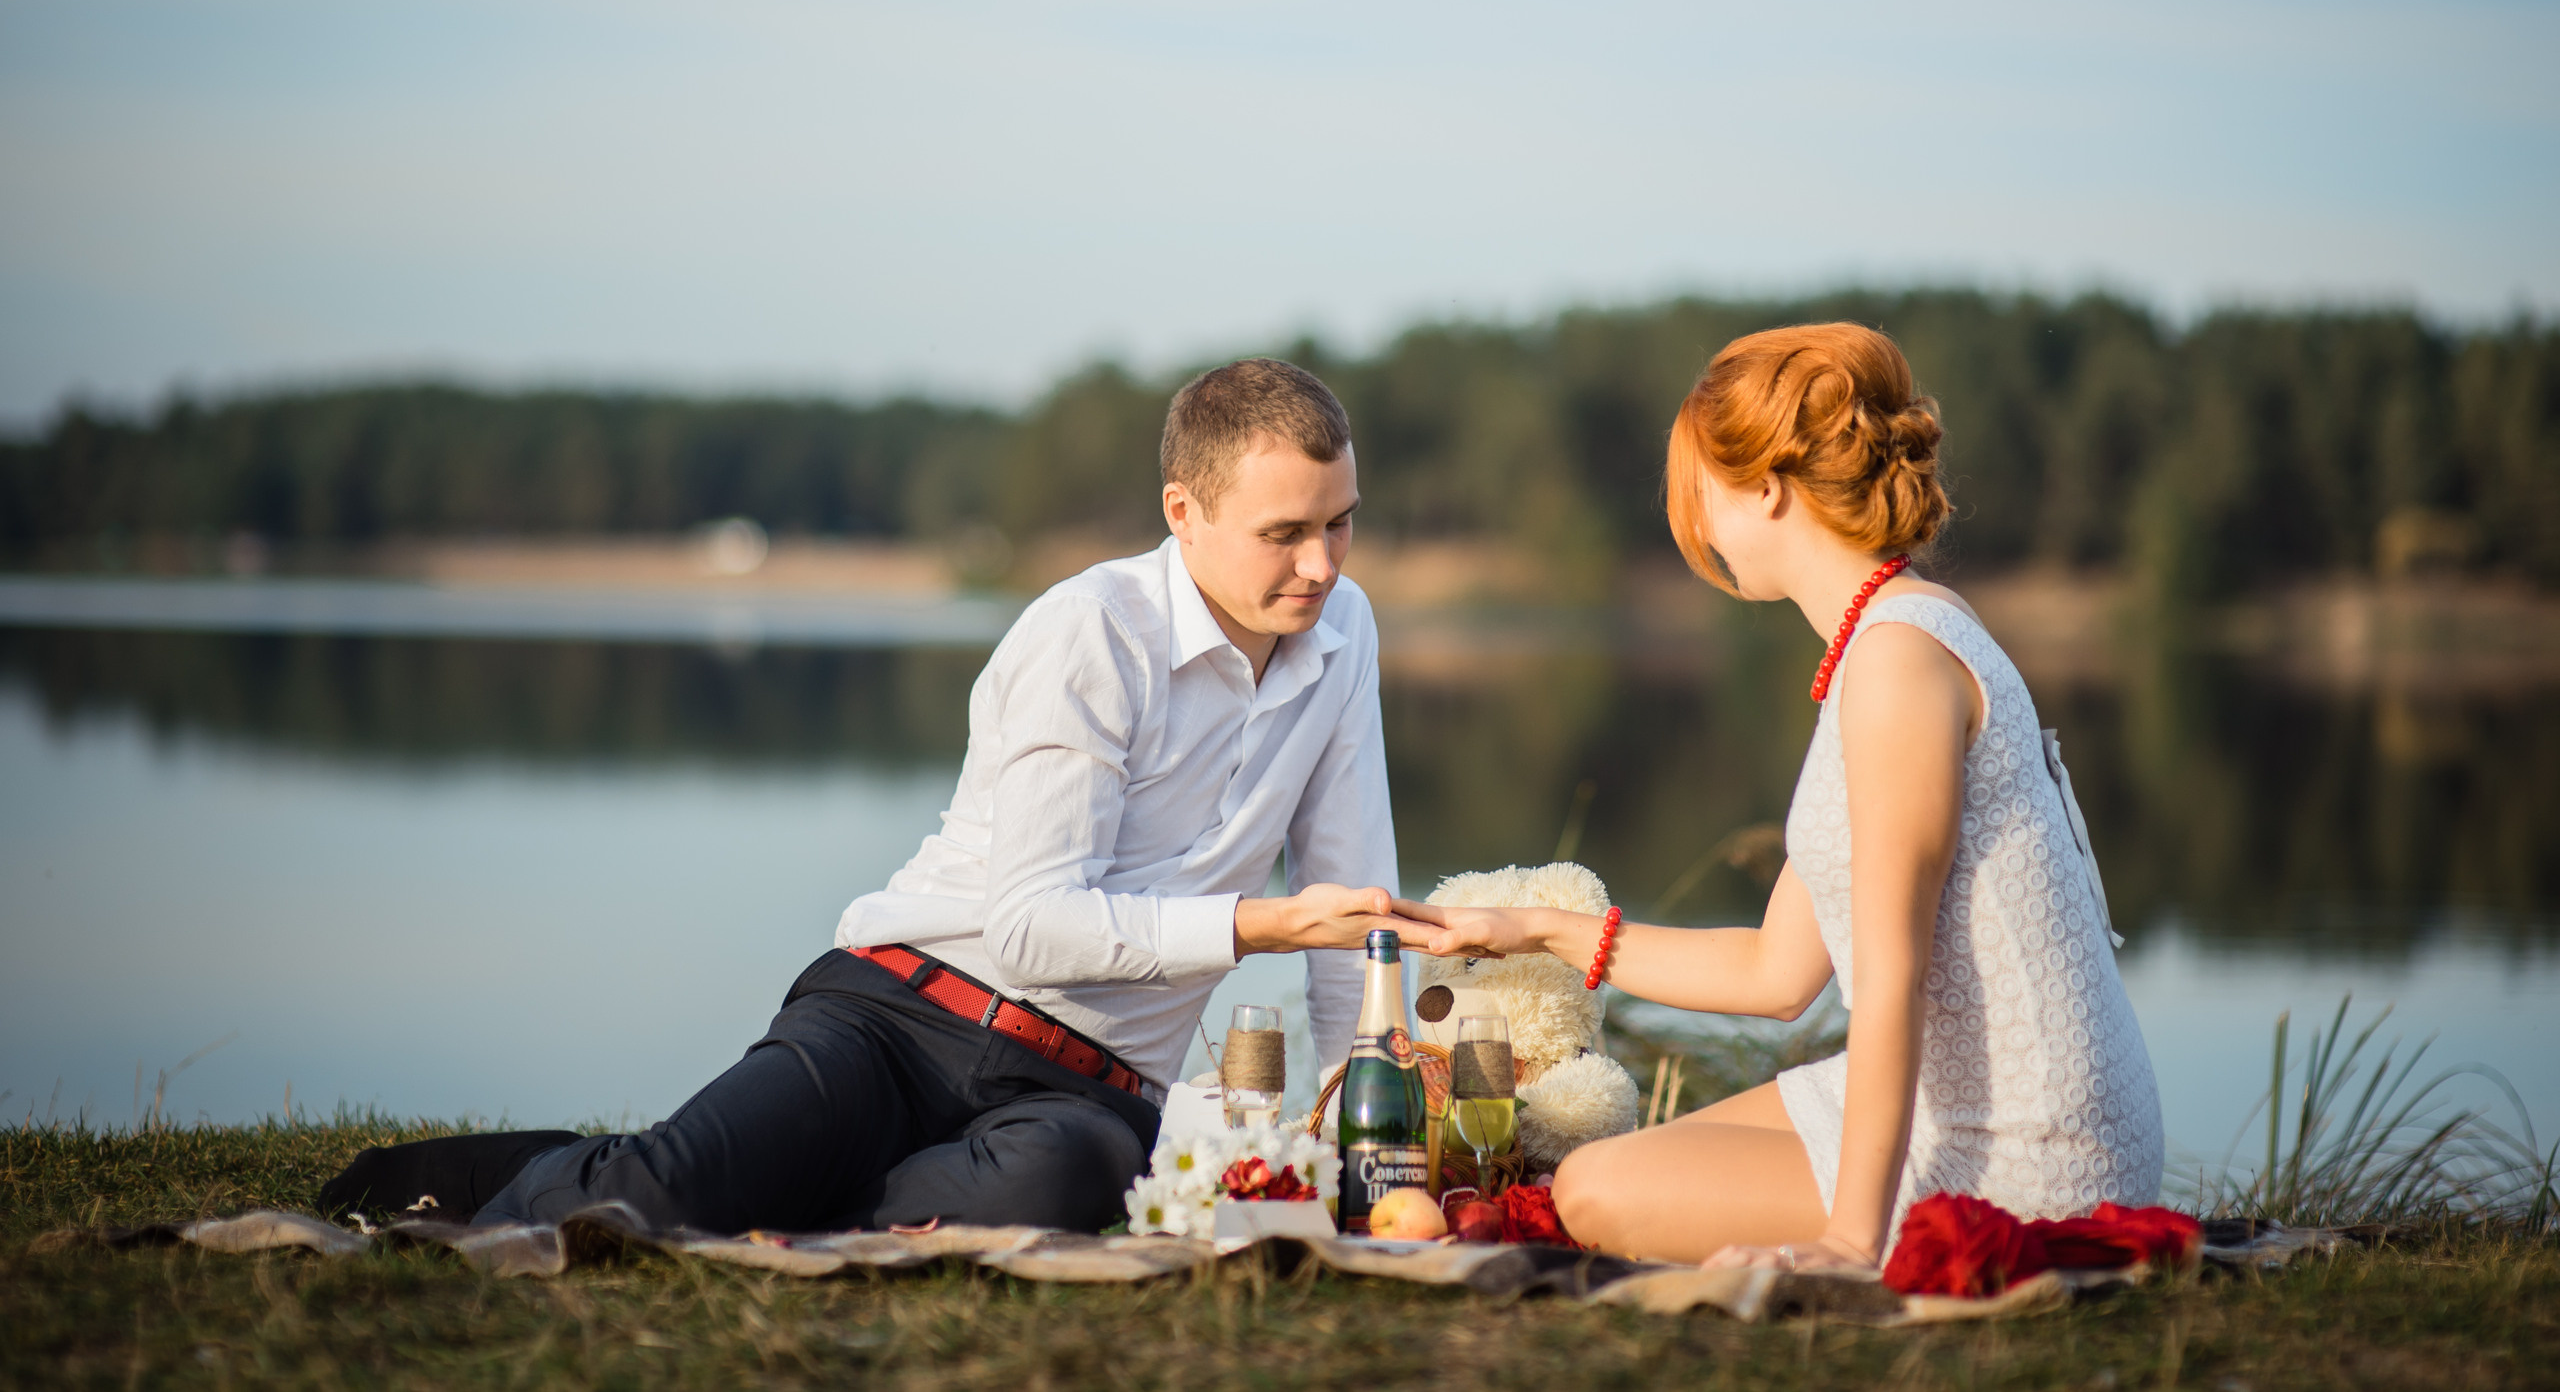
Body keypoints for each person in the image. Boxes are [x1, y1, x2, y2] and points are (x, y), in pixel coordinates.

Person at [327, 358, 1441, 1237]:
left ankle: (782, 1188)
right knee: (653, 1204)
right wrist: (1255, 923)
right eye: (1283, 532)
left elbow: (1356, 896)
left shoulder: (1343, 635)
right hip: (901, 1015)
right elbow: (1028, 923)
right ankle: (499, 1175)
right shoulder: (1091, 632)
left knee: (1064, 1186)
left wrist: (1365, 1103)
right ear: (1182, 510)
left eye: (1338, 520)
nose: (1323, 563)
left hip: (1086, 1096)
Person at [1398, 323, 2163, 1269]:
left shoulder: (1895, 664)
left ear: (1765, 488)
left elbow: (1891, 981)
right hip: (1954, 1095)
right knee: (1610, 1168)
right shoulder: (1884, 634)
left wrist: (1849, 1240)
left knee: (1591, 1190)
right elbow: (1777, 971)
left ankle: (1865, 1221)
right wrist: (1538, 931)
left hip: (2033, 1146)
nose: (1700, 527)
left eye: (1702, 496)